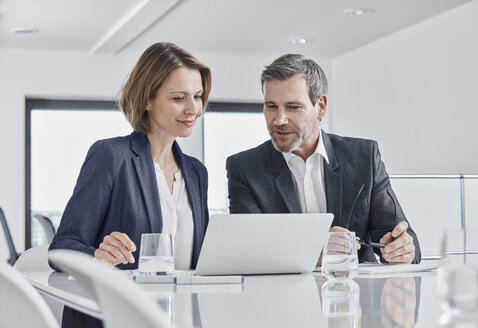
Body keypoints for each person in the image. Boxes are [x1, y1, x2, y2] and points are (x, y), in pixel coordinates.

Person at [49, 42, 211, 327]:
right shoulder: (111, 156)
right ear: (147, 99)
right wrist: (98, 255)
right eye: (178, 98)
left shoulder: (197, 173)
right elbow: (61, 248)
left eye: (197, 96)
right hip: (118, 318)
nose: (193, 108)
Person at [226, 54, 420, 264]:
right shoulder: (244, 168)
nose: (279, 120)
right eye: (271, 106)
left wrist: (403, 250)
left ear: (321, 106)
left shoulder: (364, 157)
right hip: (282, 294)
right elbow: (247, 250)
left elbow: (403, 240)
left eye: (293, 107)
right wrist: (314, 253)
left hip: (358, 293)